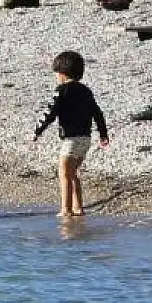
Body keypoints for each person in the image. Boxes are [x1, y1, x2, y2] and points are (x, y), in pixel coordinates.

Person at [32, 51, 109, 217]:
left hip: (71, 140)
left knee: (64, 173)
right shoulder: (86, 91)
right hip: (85, 140)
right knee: (73, 173)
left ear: (61, 73)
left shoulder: (61, 90)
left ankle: (65, 209)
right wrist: (103, 134)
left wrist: (38, 130)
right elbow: (98, 113)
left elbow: (49, 113)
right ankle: (78, 208)